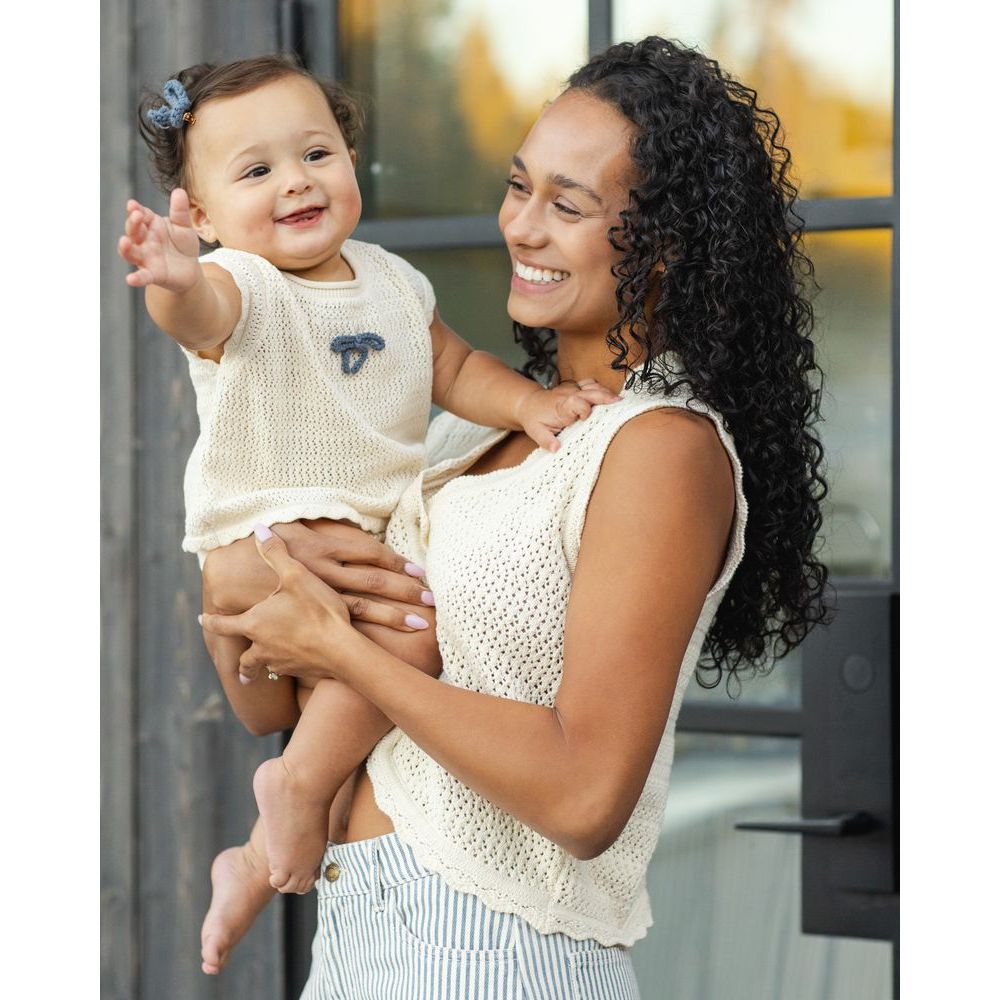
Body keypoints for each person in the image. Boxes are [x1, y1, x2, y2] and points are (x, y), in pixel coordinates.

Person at [201, 36, 829, 998]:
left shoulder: (658, 448)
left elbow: (585, 798)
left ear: (669, 242)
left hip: (498, 956)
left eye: (567, 206)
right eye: (518, 186)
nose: (521, 228)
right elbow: (272, 710)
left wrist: (343, 648)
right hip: (356, 935)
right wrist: (235, 601)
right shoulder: (461, 437)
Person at [117, 55, 621, 975]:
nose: (296, 181)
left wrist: (529, 405)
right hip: (267, 538)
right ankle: (298, 792)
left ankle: (257, 850)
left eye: (316, 153)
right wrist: (174, 278)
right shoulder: (244, 282)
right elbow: (199, 315)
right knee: (406, 646)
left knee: (374, 681)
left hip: (359, 547)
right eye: (256, 170)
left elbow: (453, 368)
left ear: (351, 158)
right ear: (205, 215)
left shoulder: (392, 281)